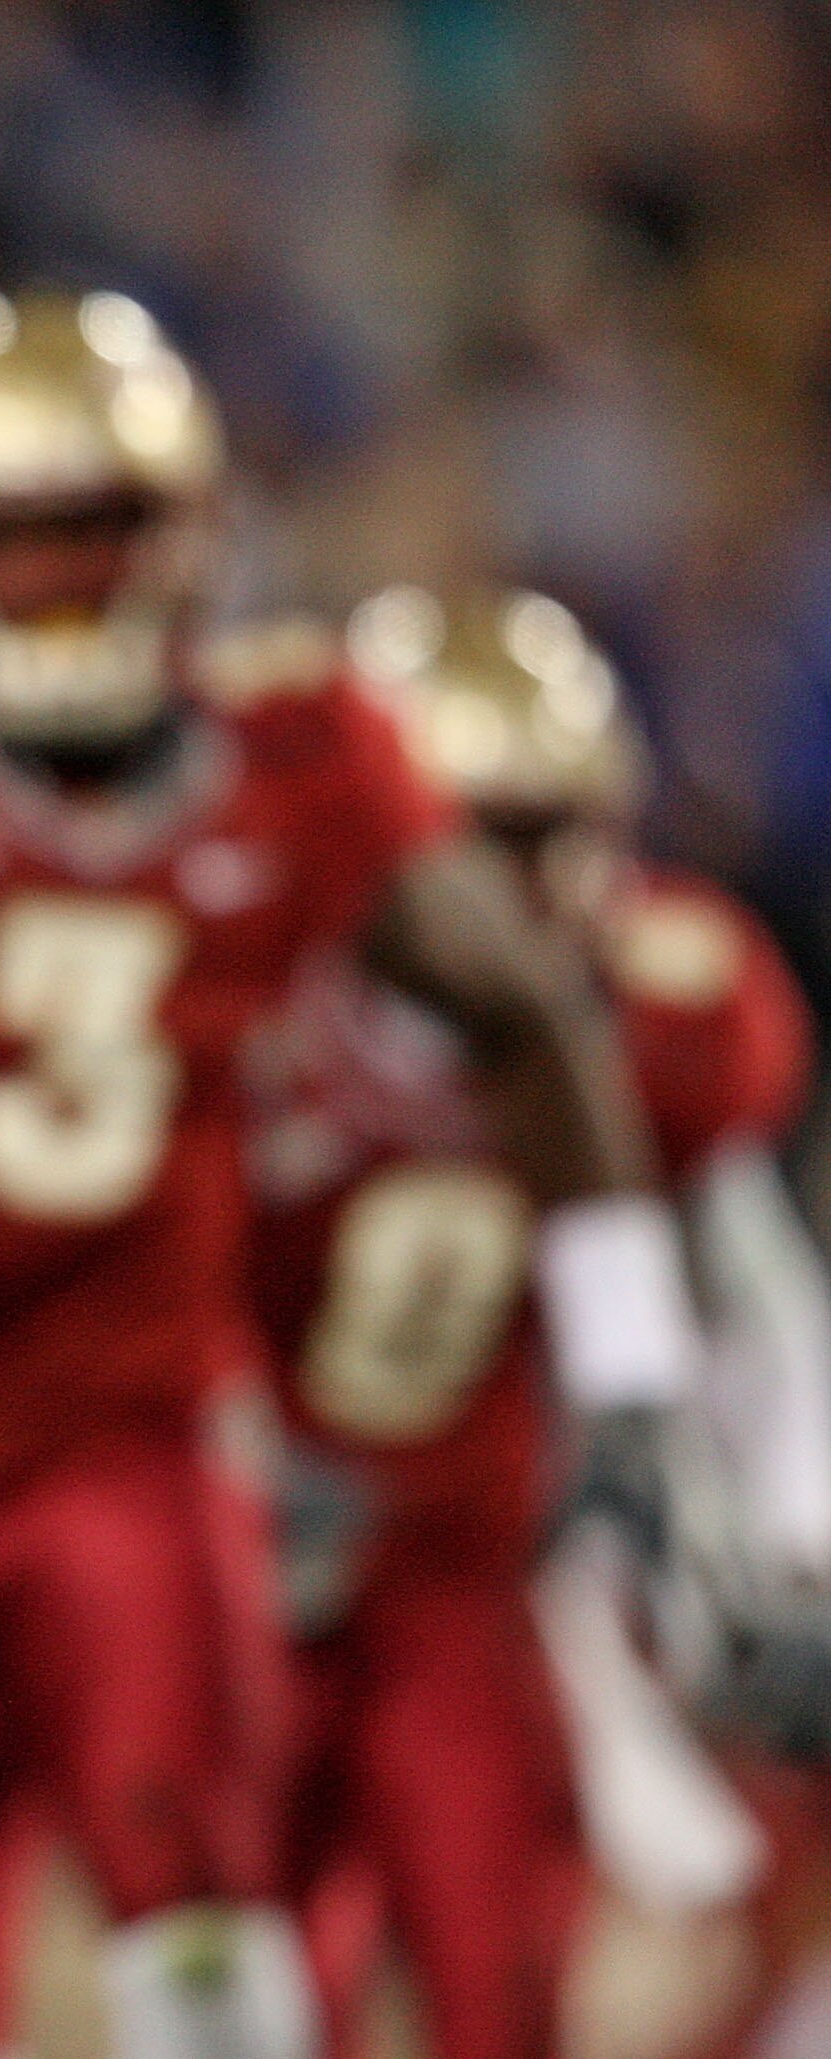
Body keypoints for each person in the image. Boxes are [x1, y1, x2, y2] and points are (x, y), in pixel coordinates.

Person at [0, 288, 677, 2059]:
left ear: (192, 534)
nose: (60, 587)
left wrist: (627, 1370)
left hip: (137, 1443)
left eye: (95, 533)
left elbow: (528, 1014)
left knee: (197, 1898)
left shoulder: (298, 761)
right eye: (12, 541)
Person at [241, 585, 813, 2059]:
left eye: (567, 824)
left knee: (502, 1983)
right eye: (492, 835)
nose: (544, 880)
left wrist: (783, 1532)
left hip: (480, 1565)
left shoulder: (667, 1005)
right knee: (246, 1982)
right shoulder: (244, 976)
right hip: (242, 1557)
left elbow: (754, 1305)